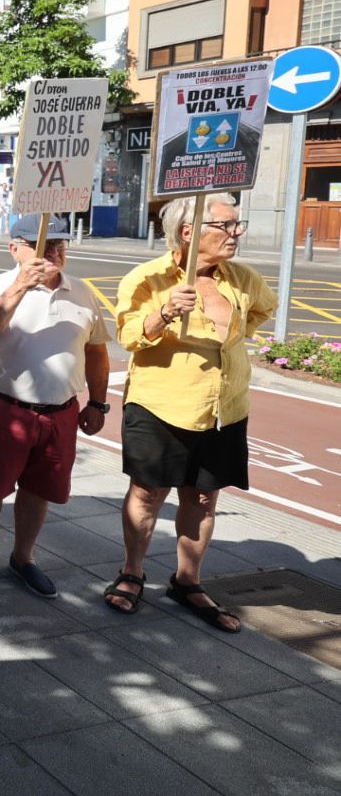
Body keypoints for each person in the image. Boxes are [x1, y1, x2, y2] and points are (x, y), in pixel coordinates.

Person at [107, 194, 274, 632]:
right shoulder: (149, 278)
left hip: (225, 407)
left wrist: (233, 340)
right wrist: (163, 314)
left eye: (239, 225)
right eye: (228, 226)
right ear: (190, 231)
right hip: (162, 404)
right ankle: (132, 571)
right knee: (147, 494)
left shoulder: (242, 278)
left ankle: (188, 581)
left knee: (203, 496)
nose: (237, 234)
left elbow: (262, 309)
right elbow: (127, 334)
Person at [0, 214, 112, 597]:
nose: (54, 252)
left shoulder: (81, 290)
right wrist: (19, 287)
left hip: (59, 412)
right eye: (42, 244)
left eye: (60, 244)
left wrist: (97, 403)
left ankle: (23, 557)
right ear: (15, 249)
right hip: (5, 409)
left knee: (40, 488)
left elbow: (96, 351)